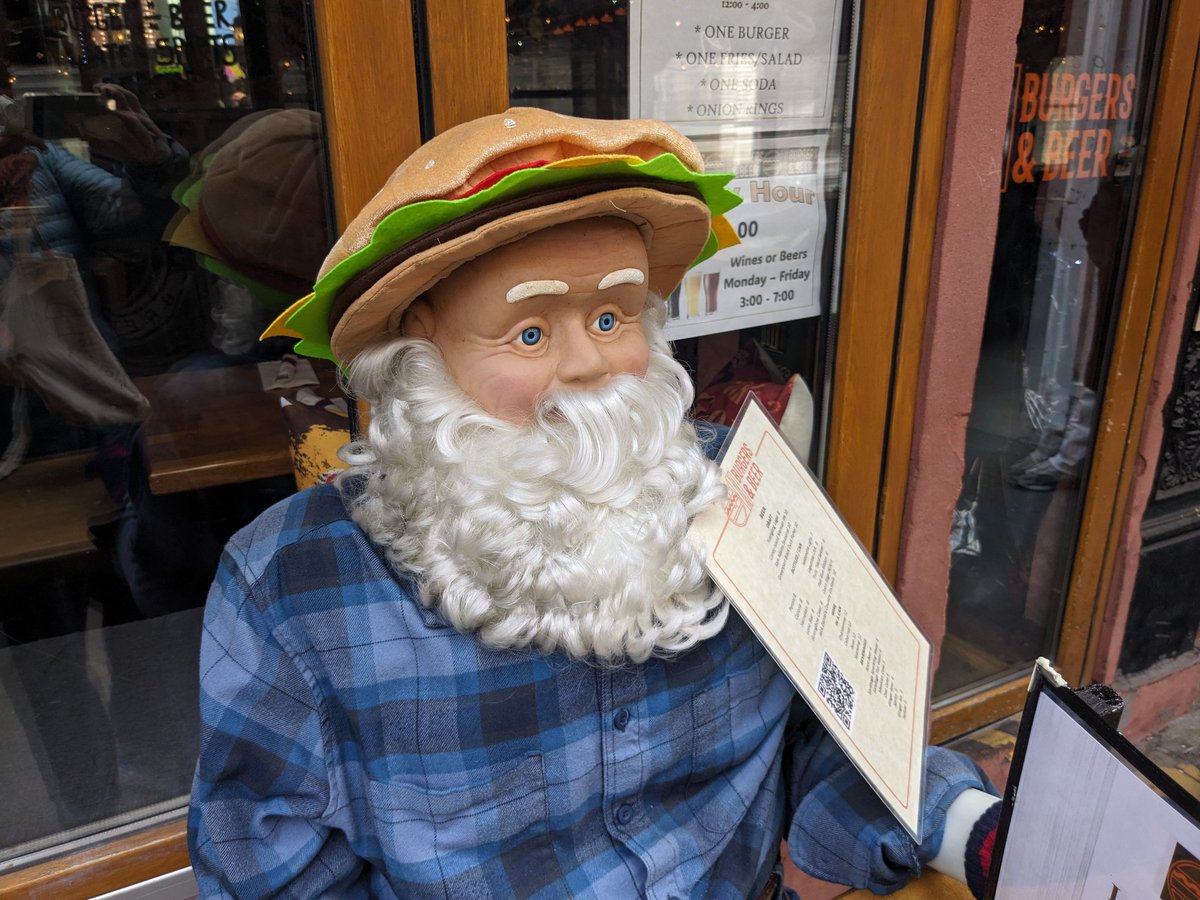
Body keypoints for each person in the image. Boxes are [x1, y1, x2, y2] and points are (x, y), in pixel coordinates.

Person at [188, 108, 999, 898]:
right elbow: (272, 873)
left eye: (611, 316)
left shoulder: (736, 490)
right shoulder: (292, 587)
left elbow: (834, 722)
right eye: (530, 334)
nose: (589, 365)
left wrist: (967, 832)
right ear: (420, 347)